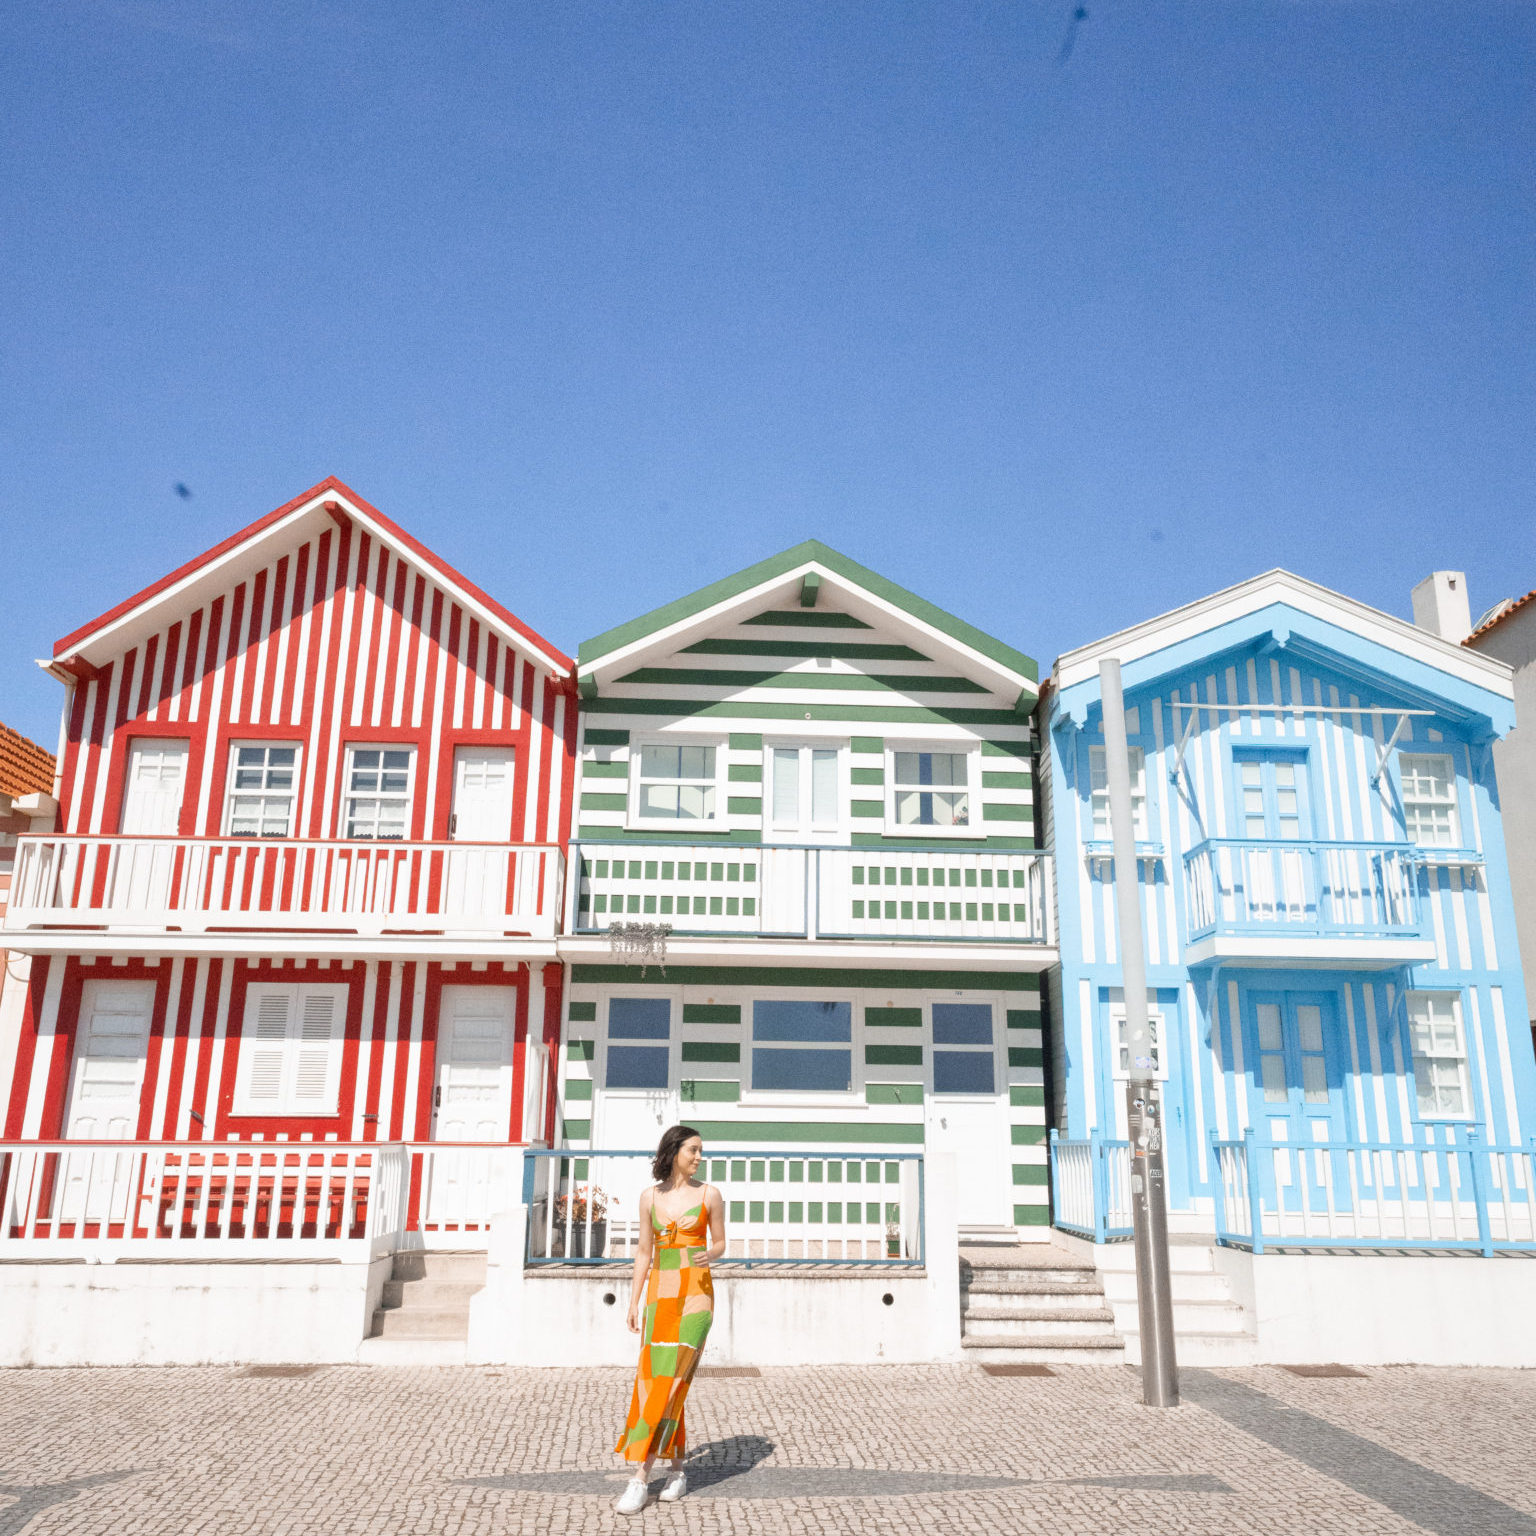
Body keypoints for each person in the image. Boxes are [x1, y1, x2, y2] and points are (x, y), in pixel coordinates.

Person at [613, 1124, 727, 1514]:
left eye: (700, 1151)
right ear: (674, 1150)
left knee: (671, 1380)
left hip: (696, 1294)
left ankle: (639, 1479)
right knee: (656, 1380)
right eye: (693, 1150)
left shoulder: (710, 1194)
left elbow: (721, 1242)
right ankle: (678, 1470)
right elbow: (644, 1251)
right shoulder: (649, 1198)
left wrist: (709, 1255)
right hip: (659, 1294)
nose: (699, 1157)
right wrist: (633, 1301)